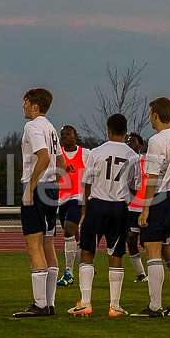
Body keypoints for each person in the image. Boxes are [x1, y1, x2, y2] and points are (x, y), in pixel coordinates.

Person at [68, 113, 141, 317]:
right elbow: (135, 186)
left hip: (97, 206)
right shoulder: (132, 155)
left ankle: (86, 303)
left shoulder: (96, 152)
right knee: (116, 254)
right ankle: (114, 306)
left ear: (107, 130)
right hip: (119, 207)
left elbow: (88, 183)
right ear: (125, 132)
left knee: (87, 252)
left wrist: (85, 210)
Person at [135, 97, 170, 317]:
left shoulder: (157, 140)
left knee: (153, 251)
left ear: (155, 115)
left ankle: (155, 306)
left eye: (150, 113)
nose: (149, 117)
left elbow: (153, 177)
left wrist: (146, 207)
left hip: (159, 199)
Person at [13, 88, 62, 318]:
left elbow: (44, 156)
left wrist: (30, 187)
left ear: (34, 105)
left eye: (25, 102)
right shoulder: (51, 127)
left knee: (34, 245)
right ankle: (49, 303)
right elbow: (59, 160)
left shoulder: (32, 126)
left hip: (39, 189)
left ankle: (40, 304)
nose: (22, 106)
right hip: (51, 188)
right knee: (48, 243)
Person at [56, 125, 86, 287]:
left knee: (69, 229)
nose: (64, 137)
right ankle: (85, 263)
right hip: (62, 199)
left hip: (78, 198)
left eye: (67, 134)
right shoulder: (57, 155)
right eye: (62, 135)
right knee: (73, 235)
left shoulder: (85, 154)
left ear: (75, 136)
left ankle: (68, 272)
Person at [124, 132, 148, 283]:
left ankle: (155, 270)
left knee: (147, 242)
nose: (129, 144)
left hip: (146, 207)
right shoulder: (124, 162)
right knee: (131, 239)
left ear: (139, 145)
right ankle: (141, 274)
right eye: (127, 141)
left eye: (132, 141)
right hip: (131, 207)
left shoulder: (147, 160)